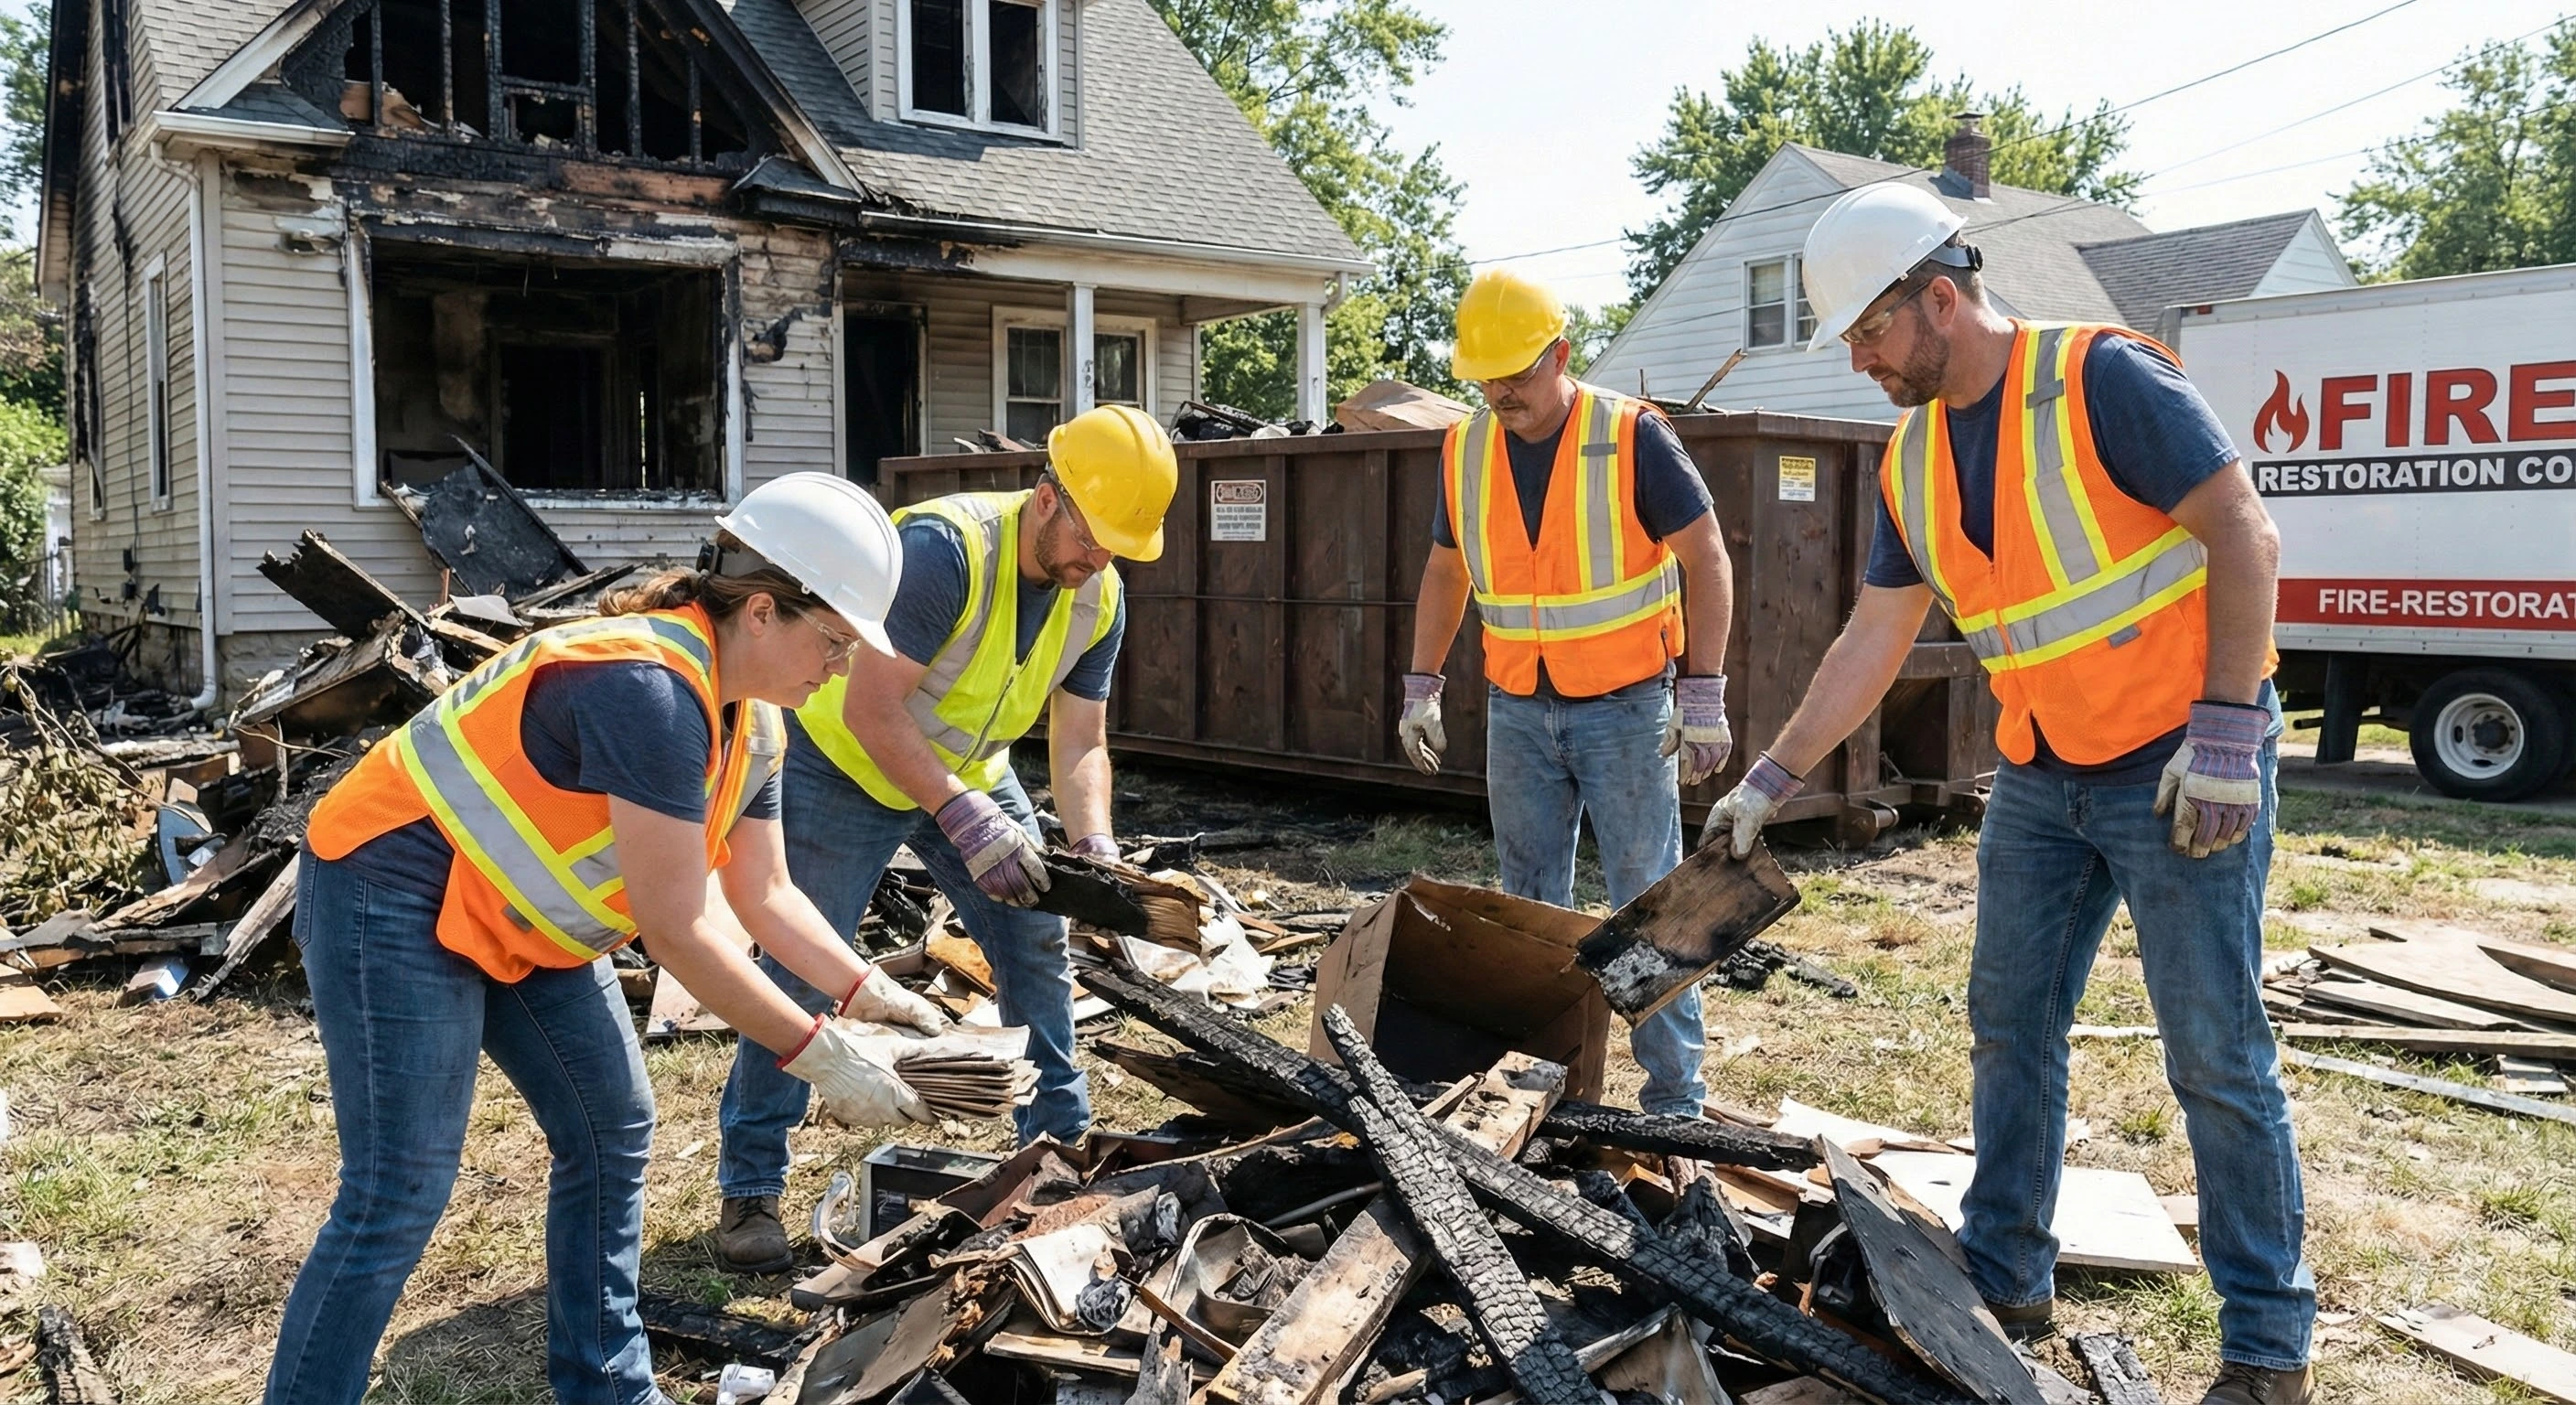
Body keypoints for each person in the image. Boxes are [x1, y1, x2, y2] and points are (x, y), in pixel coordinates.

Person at [1702, 184, 2309, 1405]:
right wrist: (1773, 773)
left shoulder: (2100, 381)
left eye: (1870, 332)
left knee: (2214, 1055)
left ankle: (2265, 1350)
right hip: (2041, 778)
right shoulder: (1912, 457)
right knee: (2008, 1026)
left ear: (1940, 296)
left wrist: (2229, 729)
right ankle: (2006, 1271)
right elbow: (1871, 639)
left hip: (2178, 765)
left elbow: (2242, 533)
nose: (1862, 361)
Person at [270, 472, 953, 1405]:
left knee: (610, 1127)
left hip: (512, 911)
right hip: (389, 889)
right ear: (762, 610)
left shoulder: (755, 724)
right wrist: (822, 1057)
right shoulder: (648, 690)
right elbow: (678, 929)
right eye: (834, 641)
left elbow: (765, 894)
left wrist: (871, 992)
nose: (839, 668)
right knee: (398, 1189)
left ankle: (609, 1390)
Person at [710, 403, 1177, 1272]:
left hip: (966, 767)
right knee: (801, 966)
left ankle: (1059, 1154)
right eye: (1092, 538)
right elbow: (871, 707)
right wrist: (966, 816)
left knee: (1036, 943)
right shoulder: (946, 552)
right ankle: (751, 1188)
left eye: (1119, 547)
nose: (1099, 560)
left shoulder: (1098, 597)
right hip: (845, 763)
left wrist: (1097, 849)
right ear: (1048, 497)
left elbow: (1081, 741)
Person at [1397, 269, 1736, 1121]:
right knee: (1526, 907)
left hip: (1627, 707)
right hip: (1517, 708)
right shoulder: (1464, 448)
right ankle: (1537, 1090)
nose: (1500, 391)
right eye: (1486, 376)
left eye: (1516, 371)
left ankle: (1674, 1104)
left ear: (1561, 354)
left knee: (1648, 902)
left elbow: (1707, 559)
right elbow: (1446, 570)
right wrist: (1422, 684)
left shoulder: (1631, 436)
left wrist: (1702, 692)